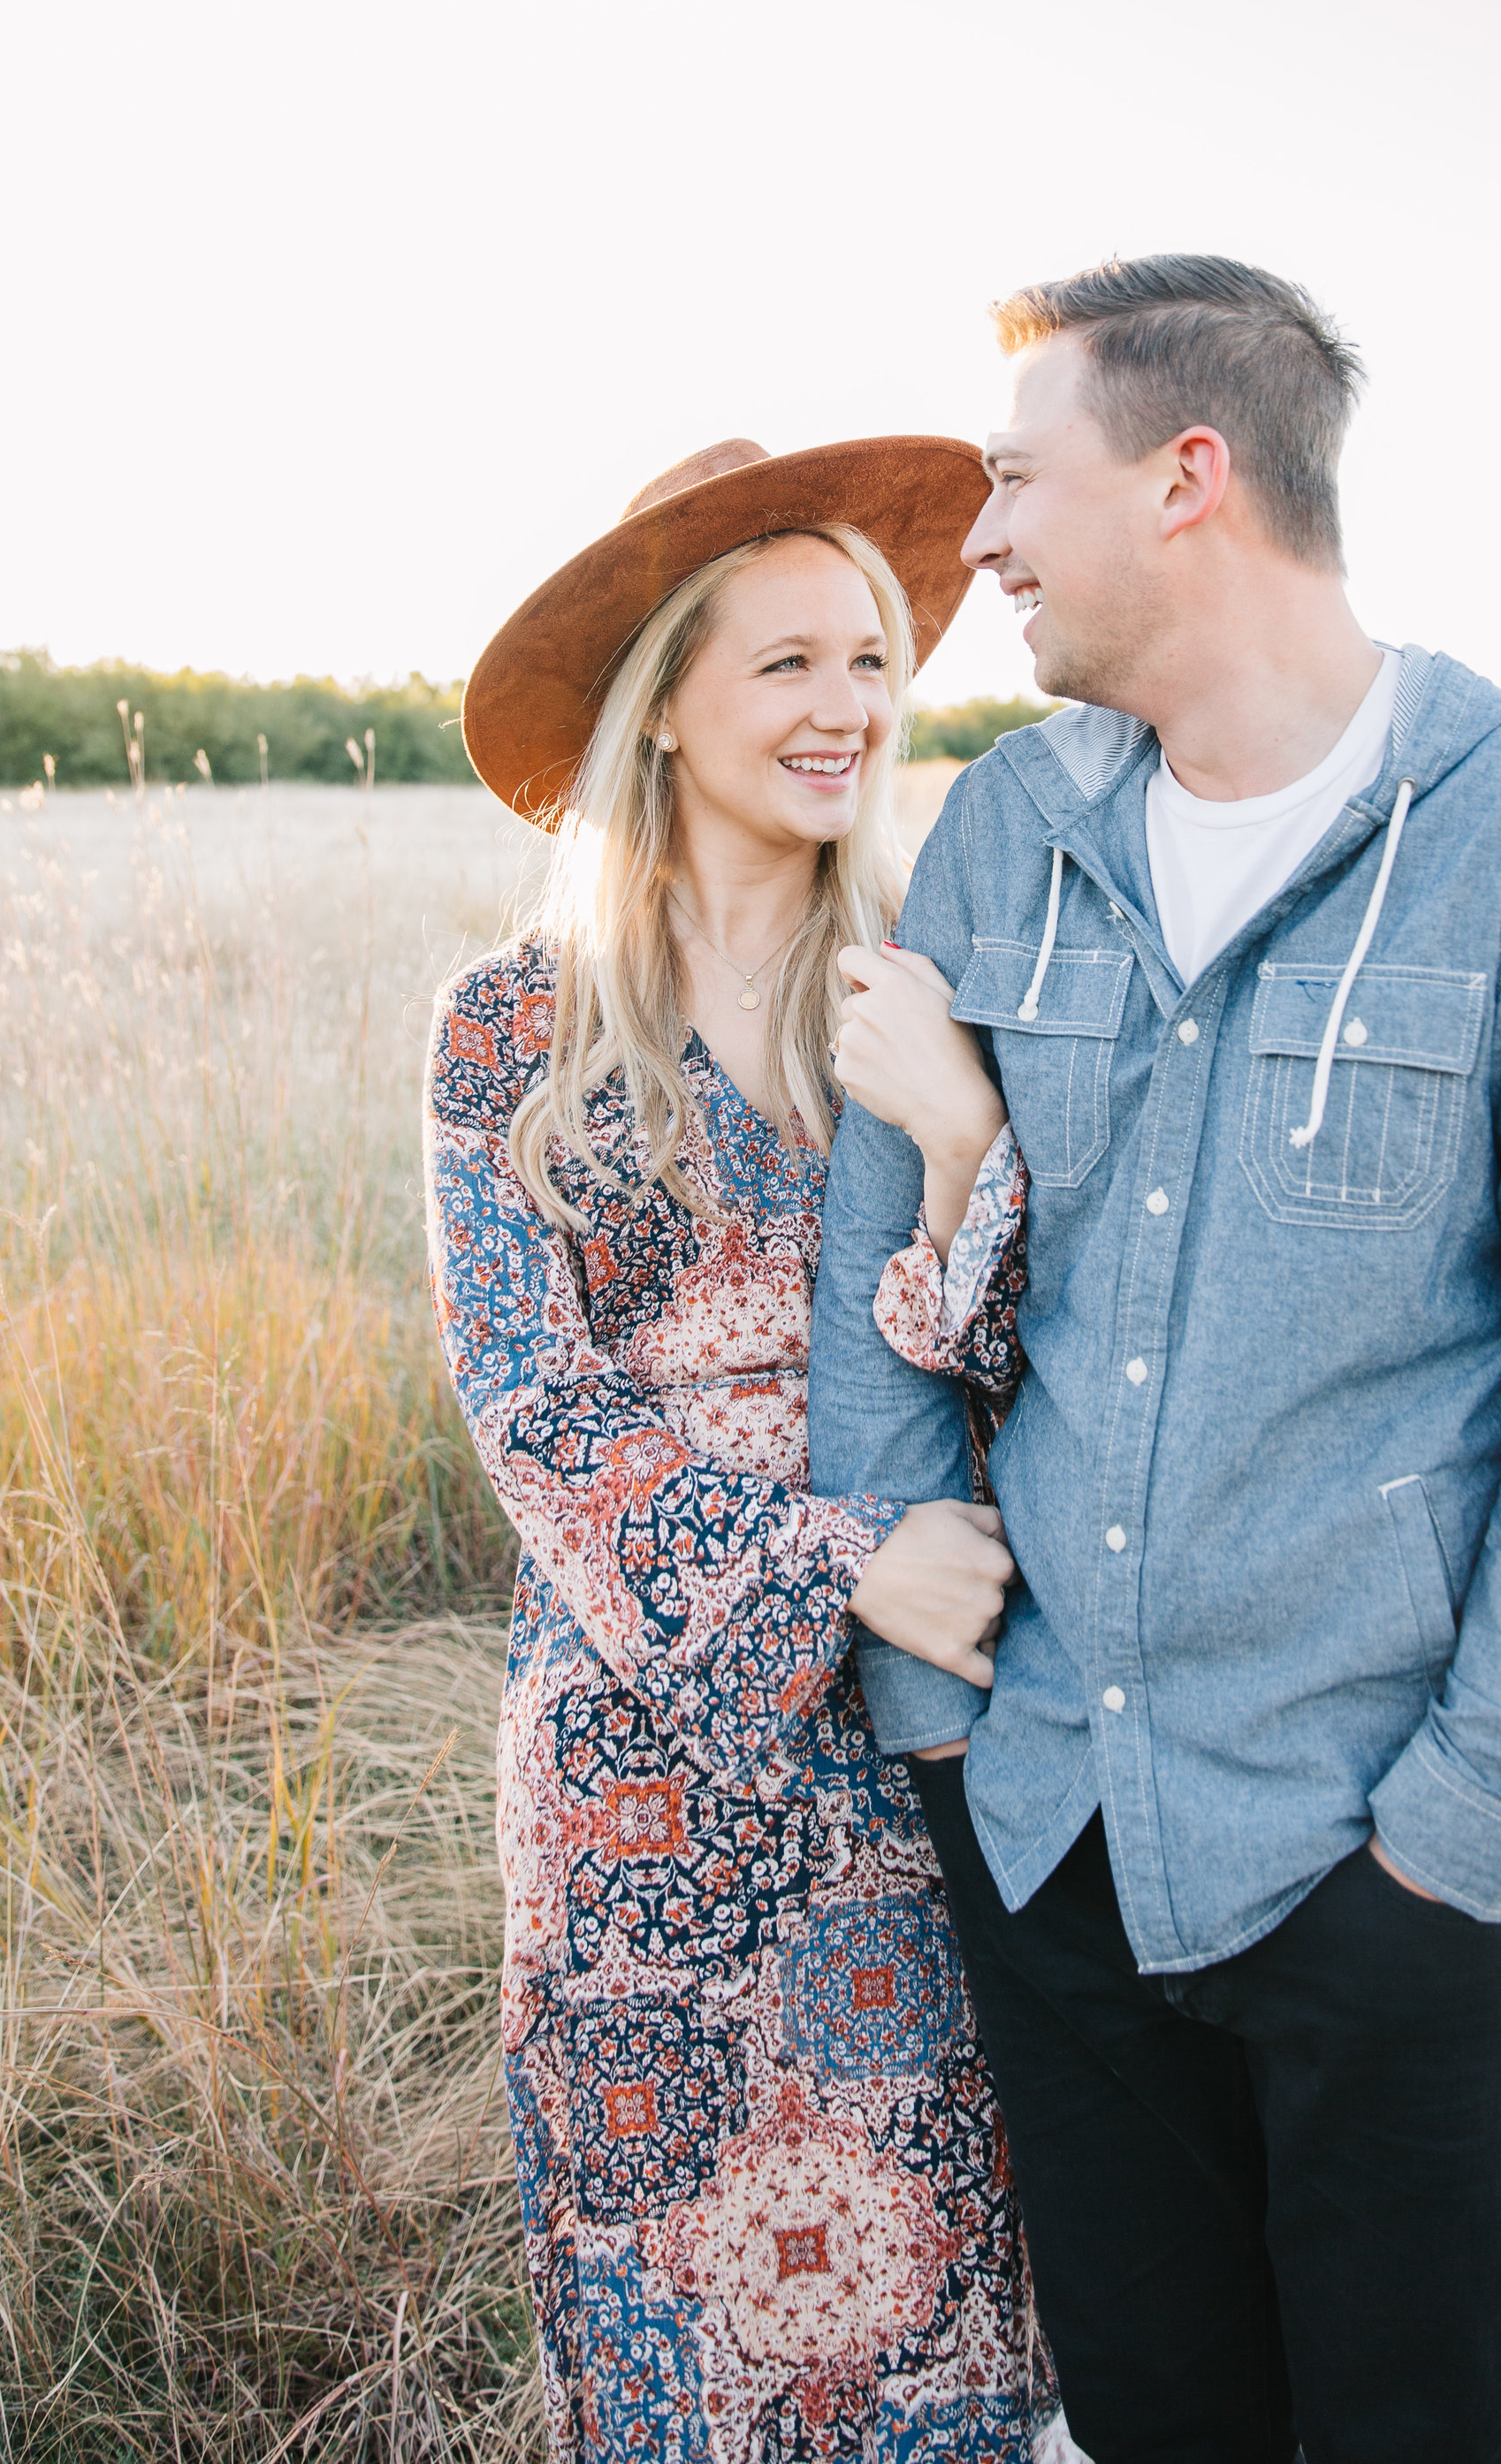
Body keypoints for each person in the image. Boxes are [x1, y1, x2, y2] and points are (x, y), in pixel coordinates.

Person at [807, 260, 1501, 2464]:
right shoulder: (1010, 833)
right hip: (1053, 1844)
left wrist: (1461, 1831)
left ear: (1188, 477)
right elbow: (882, 1286)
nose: (984, 545)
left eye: (1018, 484)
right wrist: (941, 1735)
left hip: (1389, 1877)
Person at [428, 435, 1059, 2462]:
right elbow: (533, 1402)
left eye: (868, 663)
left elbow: (1038, 1365)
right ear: (665, 701)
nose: (846, 714)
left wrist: (963, 1138)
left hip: (917, 1723)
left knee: (940, 2271)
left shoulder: (926, 986)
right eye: (786, 665)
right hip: (636, 1763)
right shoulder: (509, 1030)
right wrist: (827, 1558)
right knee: (671, 2299)